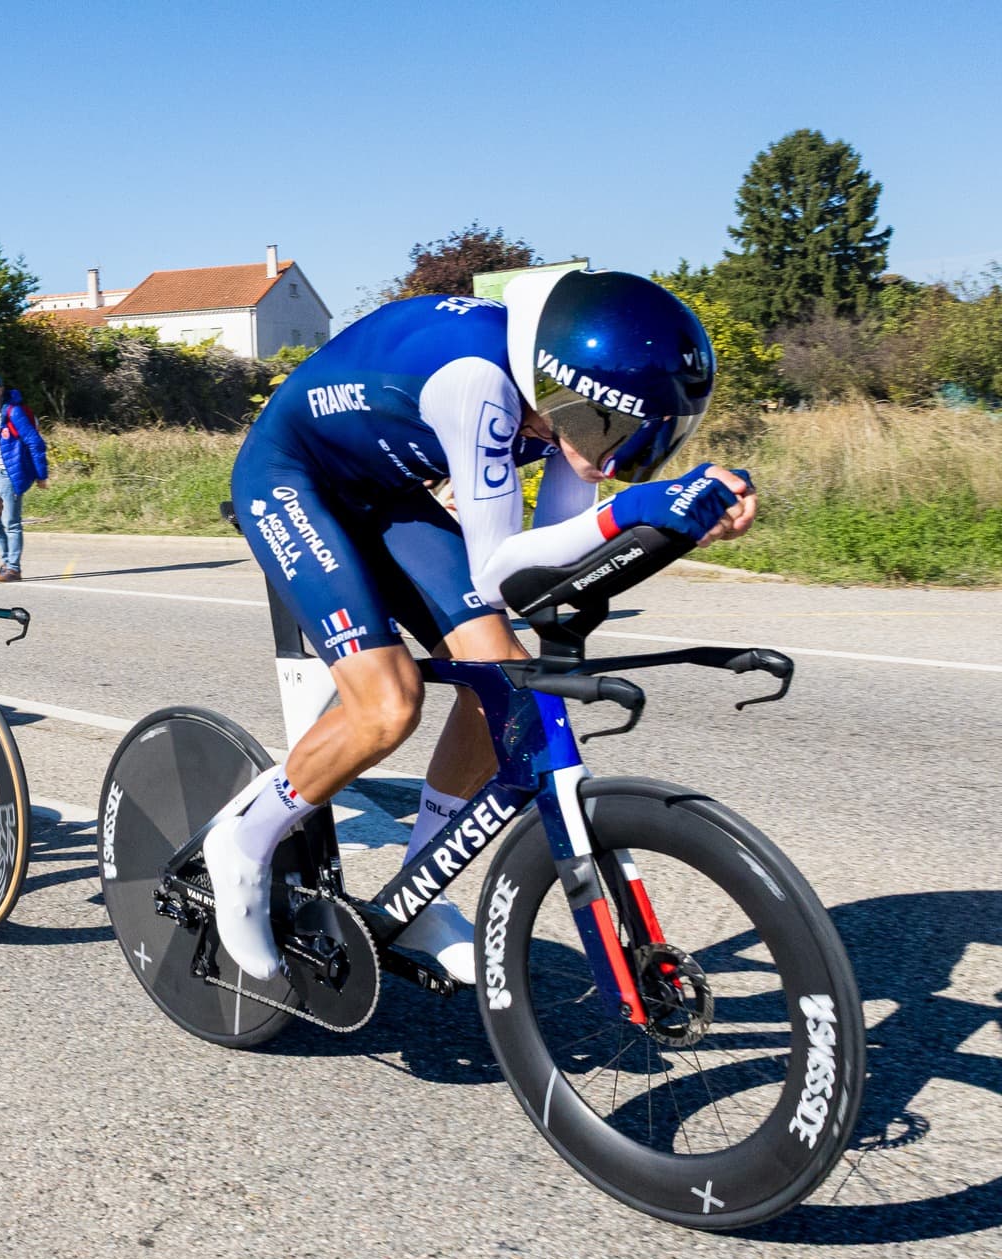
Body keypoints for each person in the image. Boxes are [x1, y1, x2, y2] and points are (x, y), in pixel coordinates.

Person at [207, 268, 755, 984]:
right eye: (612, 431)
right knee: (386, 703)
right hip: (293, 476)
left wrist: (681, 522)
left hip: (386, 492)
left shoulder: (561, 409)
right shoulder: (478, 383)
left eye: (639, 440)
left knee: (504, 680)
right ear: (562, 390)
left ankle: (420, 889)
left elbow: (548, 567)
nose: (616, 457)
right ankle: (243, 843)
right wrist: (636, 507)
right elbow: (499, 570)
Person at [0, 373, 49, 583]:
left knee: (11, 523)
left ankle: (14, 568)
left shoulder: (14, 412)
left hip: (9, 474)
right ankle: (7, 564)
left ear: (1, 389)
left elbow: (35, 442)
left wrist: (41, 474)